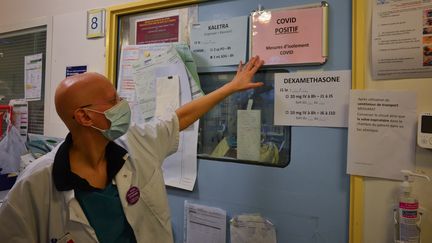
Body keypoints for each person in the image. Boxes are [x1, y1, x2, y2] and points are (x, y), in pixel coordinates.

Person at [0, 56, 264, 242]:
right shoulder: (36, 183)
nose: (123, 103)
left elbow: (179, 118)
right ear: (85, 117)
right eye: (113, 100)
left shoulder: (136, 142)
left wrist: (231, 87)